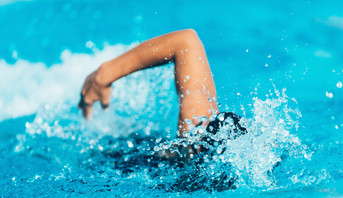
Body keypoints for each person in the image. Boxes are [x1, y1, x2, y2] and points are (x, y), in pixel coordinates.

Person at [79, 29, 246, 159]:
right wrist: (104, 75)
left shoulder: (196, 142)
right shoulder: (196, 130)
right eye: (204, 124)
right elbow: (186, 41)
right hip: (118, 149)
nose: (197, 123)